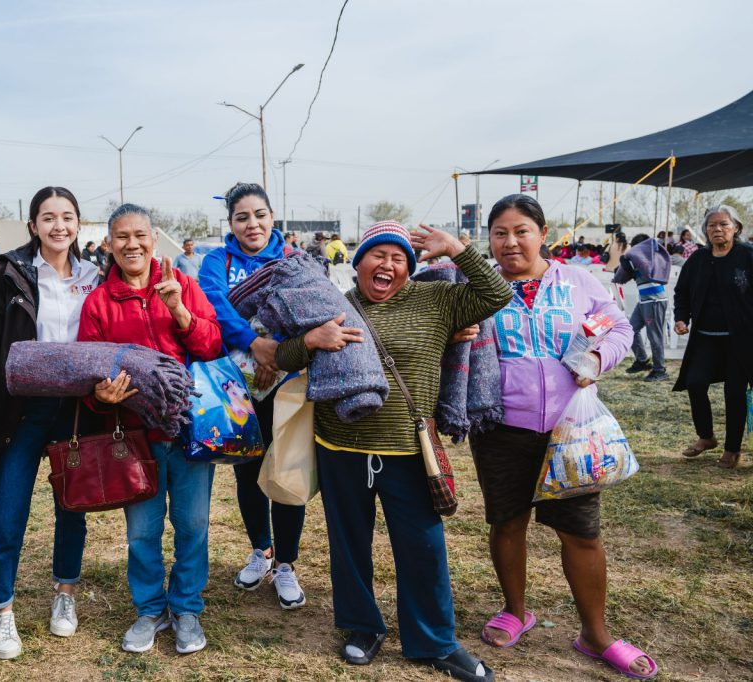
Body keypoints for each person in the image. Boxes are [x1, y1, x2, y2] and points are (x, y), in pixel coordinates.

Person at [276, 220, 510, 680]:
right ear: (357, 262)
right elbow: (283, 356)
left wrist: (457, 249)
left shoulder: (438, 301)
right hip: (339, 447)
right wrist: (310, 340)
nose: (386, 265)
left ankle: (435, 642)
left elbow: (496, 293)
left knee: (423, 546)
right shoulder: (334, 307)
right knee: (348, 544)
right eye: (377, 255)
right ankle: (362, 626)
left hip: (408, 449)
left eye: (398, 258)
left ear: (409, 268)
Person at [469, 194, 656, 680]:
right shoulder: (477, 285)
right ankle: (516, 609)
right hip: (500, 428)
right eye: (500, 233)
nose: (510, 242)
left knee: (581, 531)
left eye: (521, 231)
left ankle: (595, 633)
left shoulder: (577, 281)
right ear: (488, 240)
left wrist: (597, 361)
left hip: (569, 432)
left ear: (542, 233)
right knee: (508, 523)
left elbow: (617, 328)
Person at [78, 203, 222, 655]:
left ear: (154, 239)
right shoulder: (99, 302)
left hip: (188, 430)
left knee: (193, 524)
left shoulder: (182, 285)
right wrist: (99, 396)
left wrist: (179, 310)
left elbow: (212, 343)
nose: (132, 244)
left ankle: (185, 607)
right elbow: (86, 371)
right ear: (109, 244)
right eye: (121, 237)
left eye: (140, 235)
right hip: (133, 437)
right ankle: (149, 608)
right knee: (142, 531)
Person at [0, 186, 101, 660]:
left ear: (78, 223)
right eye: (48, 218)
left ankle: (64, 594)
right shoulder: (9, 272)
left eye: (68, 217)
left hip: (77, 408)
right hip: (23, 408)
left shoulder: (94, 274)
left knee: (73, 508)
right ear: (33, 225)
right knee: (9, 512)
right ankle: (1, 611)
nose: (59, 226)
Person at [198, 183, 308, 610]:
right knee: (247, 470)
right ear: (230, 223)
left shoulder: (292, 259)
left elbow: (308, 307)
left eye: (259, 214)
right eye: (242, 217)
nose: (252, 224)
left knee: (286, 471)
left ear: (272, 216)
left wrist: (276, 352)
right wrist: (251, 342)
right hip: (236, 385)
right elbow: (214, 306)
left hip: (288, 382)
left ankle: (286, 564)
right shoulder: (216, 261)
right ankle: (260, 550)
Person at [674, 205, 753, 469]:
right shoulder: (698, 259)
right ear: (706, 231)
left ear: (736, 228)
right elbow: (681, 291)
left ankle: (732, 450)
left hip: (740, 340)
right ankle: (706, 437)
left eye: (724, 224)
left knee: (734, 392)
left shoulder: (747, 255)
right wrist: (681, 317)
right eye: (712, 225)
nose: (717, 229)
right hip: (706, 337)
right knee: (695, 383)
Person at [615, 233, 671, 382]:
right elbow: (623, 273)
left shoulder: (649, 259)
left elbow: (622, 271)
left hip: (654, 301)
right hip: (645, 301)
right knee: (630, 329)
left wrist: (624, 263)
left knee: (654, 336)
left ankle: (660, 370)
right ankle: (642, 360)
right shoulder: (640, 260)